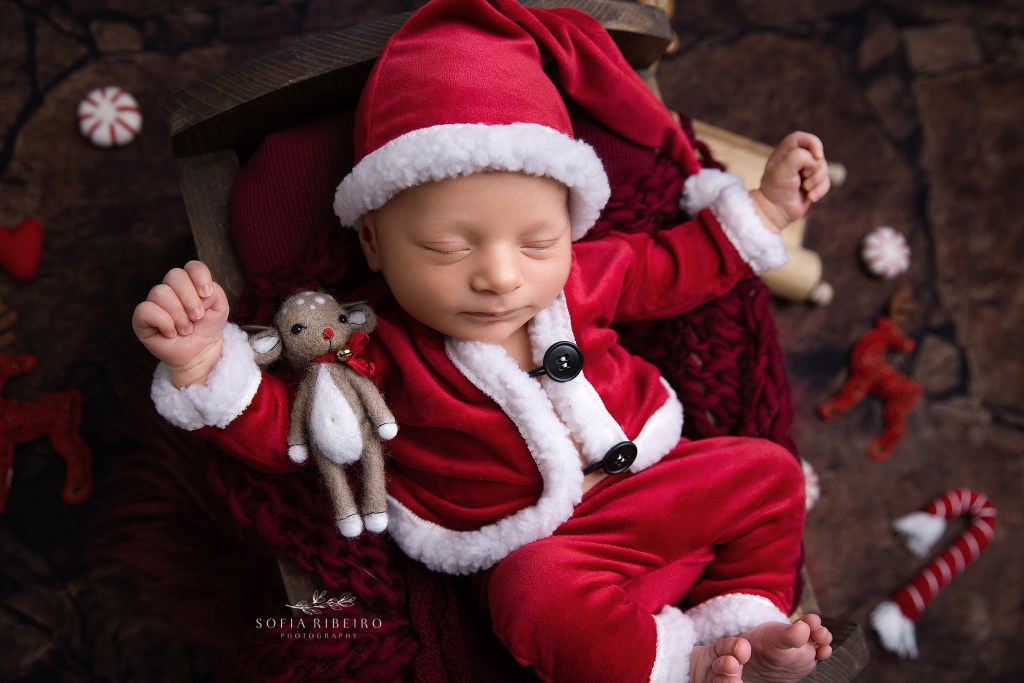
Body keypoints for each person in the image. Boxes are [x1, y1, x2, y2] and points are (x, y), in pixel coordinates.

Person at [132, 0, 835, 680]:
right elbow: (297, 427)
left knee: (767, 473)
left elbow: (680, 265)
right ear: (372, 241)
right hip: (554, 551)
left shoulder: (587, 277)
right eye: (445, 248)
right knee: (528, 592)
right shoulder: (374, 350)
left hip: (658, 486)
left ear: (572, 224)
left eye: (538, 241)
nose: (500, 277)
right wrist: (203, 363)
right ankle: (676, 667)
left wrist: (767, 209)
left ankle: (739, 625)